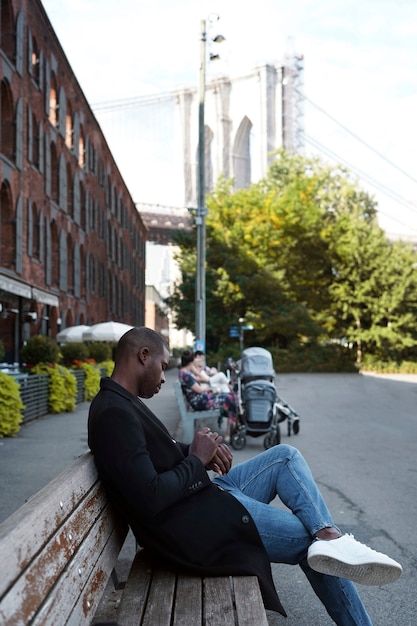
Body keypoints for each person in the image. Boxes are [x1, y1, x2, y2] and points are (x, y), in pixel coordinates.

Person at [88, 327, 402, 625]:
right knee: (311, 545)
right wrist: (197, 459)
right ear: (143, 355)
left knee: (284, 456)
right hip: (192, 527)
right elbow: (149, 497)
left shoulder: (122, 403)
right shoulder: (115, 413)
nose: (163, 376)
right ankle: (332, 547)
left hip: (200, 499)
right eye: (163, 365)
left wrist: (198, 452)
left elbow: (158, 456)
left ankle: (330, 534)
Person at [178, 349, 237, 439]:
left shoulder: (183, 373)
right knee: (230, 397)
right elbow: (199, 390)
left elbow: (198, 389)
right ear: (191, 362)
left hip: (200, 399)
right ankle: (232, 426)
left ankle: (232, 426)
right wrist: (207, 389)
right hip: (200, 402)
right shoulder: (185, 375)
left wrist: (208, 390)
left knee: (229, 396)